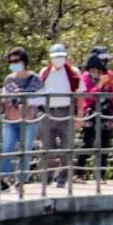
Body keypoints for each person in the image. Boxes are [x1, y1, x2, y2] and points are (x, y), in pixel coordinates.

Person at [0, 47, 45, 190]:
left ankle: (21, 179)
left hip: (29, 119)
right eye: (11, 61)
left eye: (17, 60)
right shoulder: (9, 79)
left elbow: (42, 99)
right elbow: (4, 96)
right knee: (7, 147)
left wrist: (27, 101)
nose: (14, 63)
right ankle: (3, 177)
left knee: (26, 148)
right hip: (11, 119)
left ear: (24, 61)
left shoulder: (36, 79)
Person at [38, 43, 81, 188]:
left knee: (66, 146)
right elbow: (38, 92)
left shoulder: (73, 72)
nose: (59, 60)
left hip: (66, 111)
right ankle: (48, 175)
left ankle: (63, 177)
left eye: (61, 57)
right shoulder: (45, 72)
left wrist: (80, 113)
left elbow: (80, 93)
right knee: (47, 146)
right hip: (47, 112)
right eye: (56, 57)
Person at [78, 53, 113, 181]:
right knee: (87, 143)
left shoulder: (109, 75)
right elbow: (88, 97)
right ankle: (79, 173)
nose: (97, 72)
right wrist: (99, 86)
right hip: (91, 113)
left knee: (105, 144)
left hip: (106, 113)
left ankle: (100, 175)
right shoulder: (85, 78)